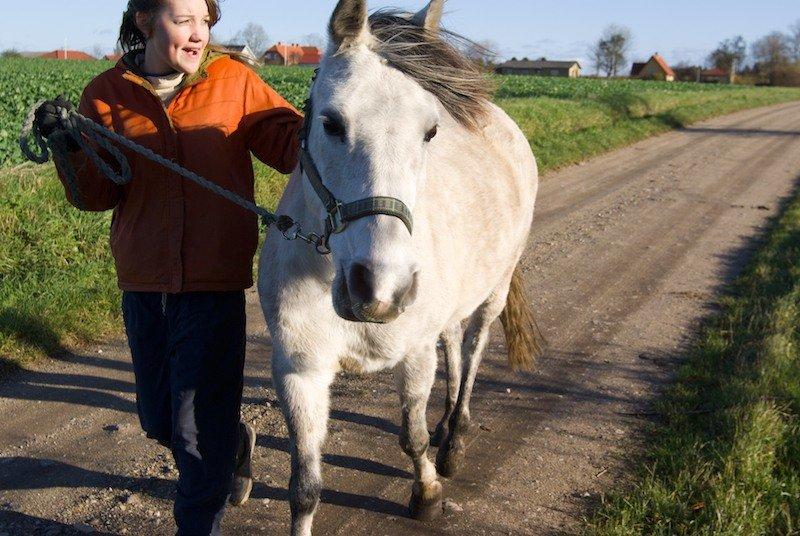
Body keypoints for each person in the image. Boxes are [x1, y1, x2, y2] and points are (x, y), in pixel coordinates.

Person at [33, 0, 303, 534]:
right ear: (144, 21)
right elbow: (96, 196)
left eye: (205, 21)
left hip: (213, 283)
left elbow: (294, 148)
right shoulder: (105, 94)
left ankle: (199, 520)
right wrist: (69, 148)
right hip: (144, 281)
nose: (198, 33)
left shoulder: (235, 81)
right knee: (160, 421)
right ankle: (234, 442)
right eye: (183, 20)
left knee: (196, 431)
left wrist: (331, 117)